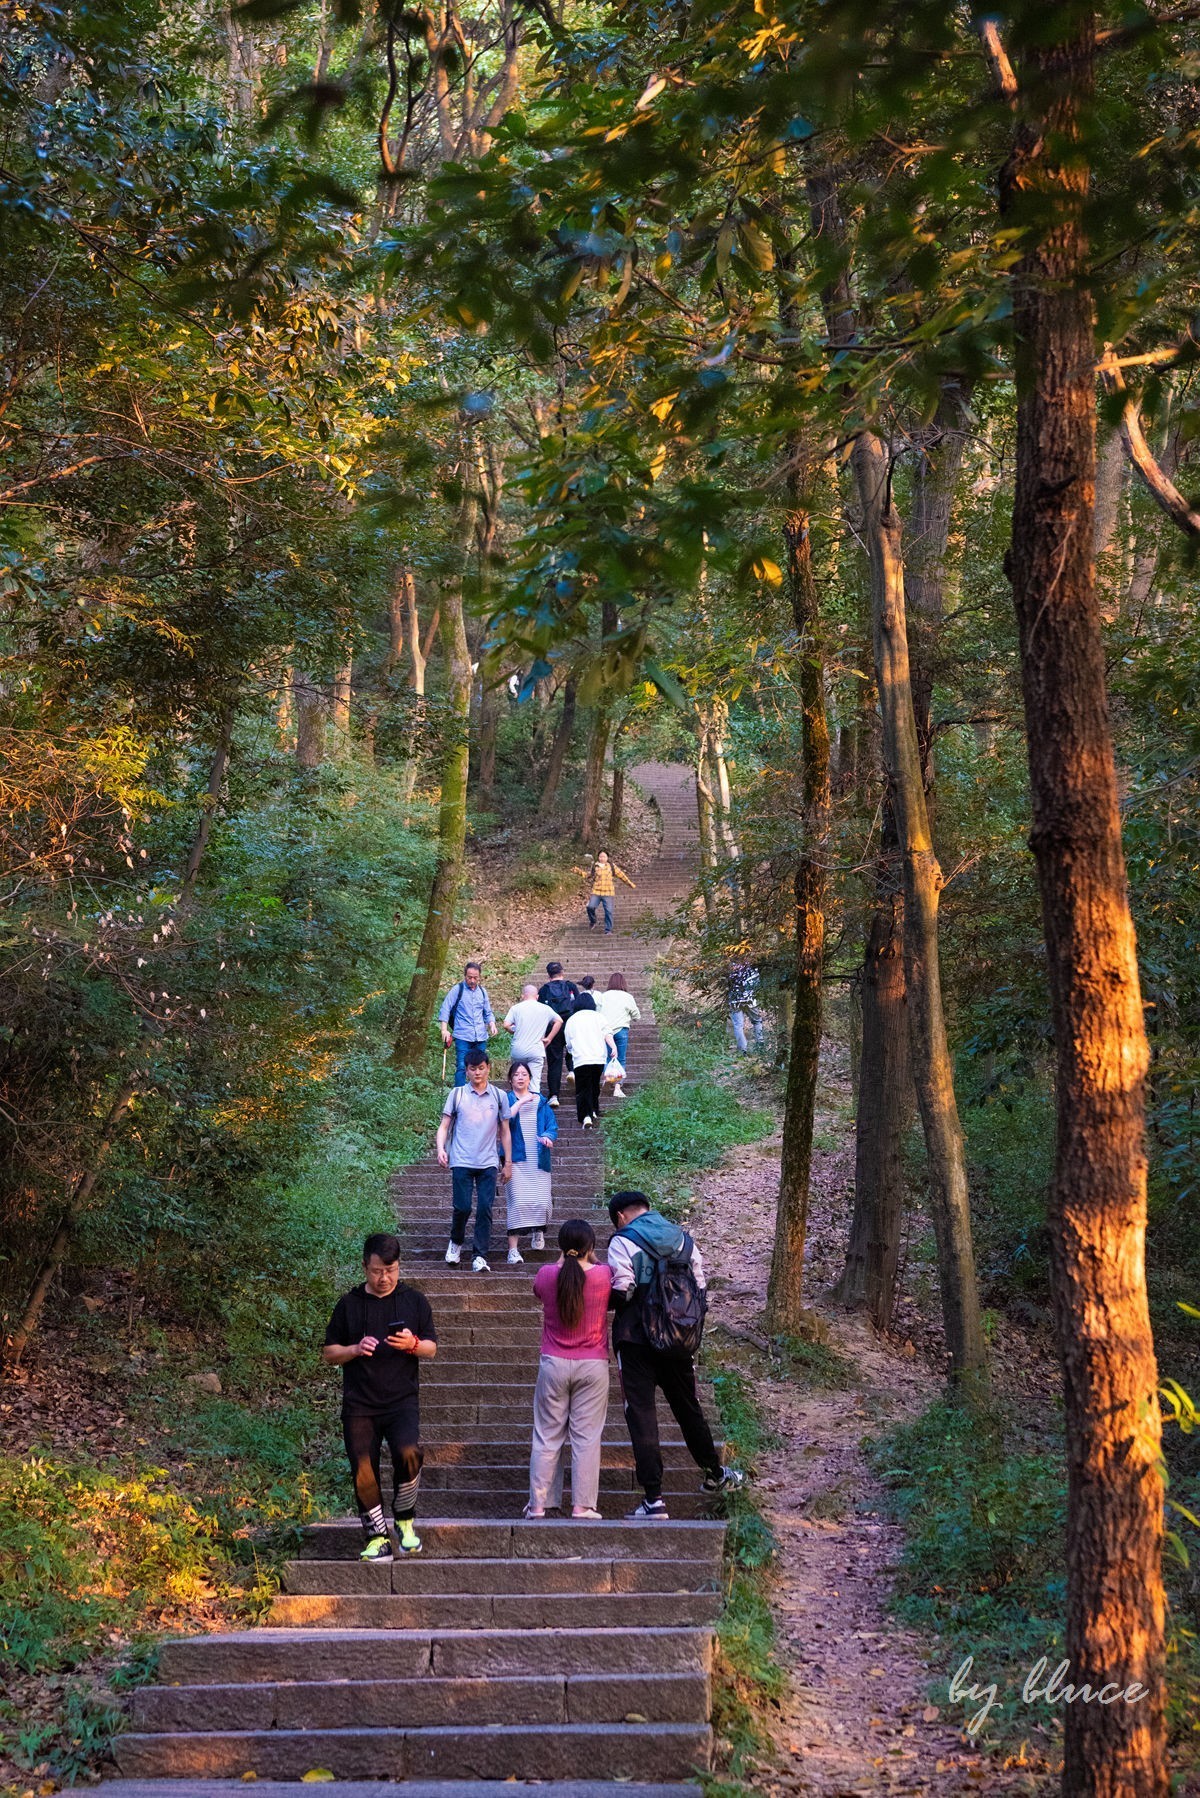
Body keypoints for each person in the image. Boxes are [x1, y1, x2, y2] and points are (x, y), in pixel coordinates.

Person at [607, 1190, 745, 1519]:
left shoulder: (622, 1240)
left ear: (621, 1217)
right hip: (678, 1341)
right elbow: (700, 1288)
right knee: (688, 1408)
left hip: (636, 1340)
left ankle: (653, 1499)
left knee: (641, 1417)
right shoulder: (684, 1240)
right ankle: (714, 1474)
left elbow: (623, 1288)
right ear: (647, 1209)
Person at [322, 1232, 437, 1561]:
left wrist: (413, 1344)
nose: (385, 1277)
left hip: (401, 1401)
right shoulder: (349, 1305)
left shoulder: (414, 1301)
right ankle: (376, 1537)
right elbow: (330, 1353)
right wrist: (355, 1349)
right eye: (377, 1271)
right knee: (363, 1467)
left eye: (392, 1270)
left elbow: (431, 1347)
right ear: (364, 1267)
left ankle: (404, 1520)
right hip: (359, 1404)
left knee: (409, 1451)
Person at [527, 1219, 613, 1520]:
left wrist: (562, 1259)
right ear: (590, 1247)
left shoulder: (547, 1274)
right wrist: (592, 1259)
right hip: (593, 1364)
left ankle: (538, 1505)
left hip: (553, 1363)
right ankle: (583, 1505)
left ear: (561, 1247)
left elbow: (541, 1289)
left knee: (547, 1435)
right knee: (586, 1437)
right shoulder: (604, 1275)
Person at [436, 1048, 512, 1272]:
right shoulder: (457, 1094)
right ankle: (456, 1242)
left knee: (485, 1208)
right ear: (466, 1071)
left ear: (488, 1068)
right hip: (461, 1159)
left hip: (488, 1161)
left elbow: (505, 1131)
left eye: (481, 1068)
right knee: (462, 1207)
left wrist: (507, 1162)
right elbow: (444, 1126)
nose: (477, 1072)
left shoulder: (498, 1096)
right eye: (472, 1069)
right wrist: (441, 1149)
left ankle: (480, 1255)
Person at [505, 1058, 557, 1264]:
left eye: (524, 1074)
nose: (520, 1078)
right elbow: (504, 1120)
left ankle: (538, 1230)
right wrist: (520, 1102)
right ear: (510, 1079)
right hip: (515, 1158)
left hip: (539, 1158)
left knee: (543, 1201)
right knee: (517, 1202)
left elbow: (552, 1125)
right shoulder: (506, 1099)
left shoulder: (541, 1101)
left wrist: (548, 1137)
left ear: (530, 1078)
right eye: (516, 1075)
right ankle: (513, 1250)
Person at [438, 962, 498, 1085]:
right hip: (463, 1036)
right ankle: (459, 1097)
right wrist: (444, 1029)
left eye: (475, 977)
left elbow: (487, 1012)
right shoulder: (457, 989)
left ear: (479, 977)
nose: (472, 980)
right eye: (469, 977)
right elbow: (446, 1008)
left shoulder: (482, 992)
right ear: (465, 975)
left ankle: (480, 1094)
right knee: (461, 1066)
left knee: (481, 1067)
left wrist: (492, 1023)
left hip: (480, 1036)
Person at [501, 983, 562, 1096]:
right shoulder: (545, 1008)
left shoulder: (516, 1008)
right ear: (537, 997)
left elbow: (506, 1025)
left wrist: (514, 1030)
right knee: (534, 1084)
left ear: (523, 996)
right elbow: (559, 1021)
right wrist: (549, 1038)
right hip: (536, 1050)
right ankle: (534, 1110)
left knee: (518, 1082)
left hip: (518, 1050)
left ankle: (518, 1107)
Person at [563, 999, 615, 1129]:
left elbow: (568, 1042)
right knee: (594, 1085)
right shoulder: (599, 1017)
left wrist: (571, 1050)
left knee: (582, 1088)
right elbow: (607, 1034)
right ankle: (593, 1110)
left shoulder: (572, 1019)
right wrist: (613, 1048)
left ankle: (585, 1116)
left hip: (581, 1059)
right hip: (598, 1058)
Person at [537, 962, 579, 1109]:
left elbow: (540, 1012)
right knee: (572, 1051)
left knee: (554, 1062)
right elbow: (578, 1006)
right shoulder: (571, 987)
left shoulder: (543, 990)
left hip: (552, 1028)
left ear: (548, 975)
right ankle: (572, 1070)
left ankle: (554, 1095)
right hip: (570, 1024)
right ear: (562, 972)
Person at [598, 973, 641, 1099]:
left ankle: (607, 1078)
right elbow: (636, 1016)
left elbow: (597, 1013)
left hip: (605, 1031)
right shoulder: (628, 997)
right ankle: (617, 1088)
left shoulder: (602, 996)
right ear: (624, 983)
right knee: (620, 1059)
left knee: (606, 1057)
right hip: (621, 1030)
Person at [573, 850, 636, 934]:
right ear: (598, 857)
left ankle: (608, 930)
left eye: (604, 856)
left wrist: (630, 884)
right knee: (590, 907)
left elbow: (622, 875)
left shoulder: (612, 867)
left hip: (608, 893)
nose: (602, 858)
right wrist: (578, 871)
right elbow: (588, 875)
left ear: (607, 857)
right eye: (600, 856)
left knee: (608, 911)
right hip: (596, 892)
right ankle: (593, 921)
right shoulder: (595, 866)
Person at [728, 960, 765, 1054]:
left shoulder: (731, 966)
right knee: (757, 1021)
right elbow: (757, 984)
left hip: (734, 1000)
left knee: (738, 1025)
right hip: (750, 999)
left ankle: (742, 1050)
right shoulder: (753, 967)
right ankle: (760, 1046)